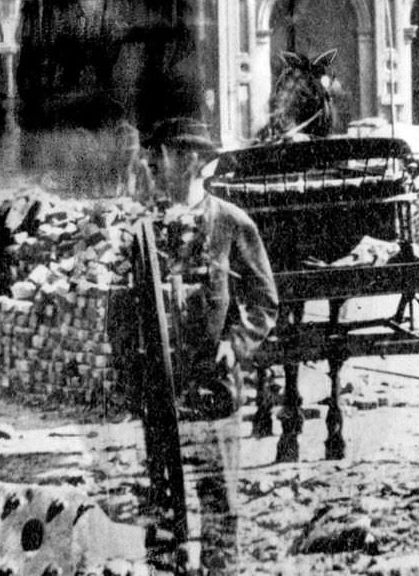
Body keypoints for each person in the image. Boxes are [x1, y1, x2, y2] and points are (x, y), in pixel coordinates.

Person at [143, 116, 278, 575]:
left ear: (199, 164)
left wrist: (235, 343)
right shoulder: (147, 231)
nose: (158, 165)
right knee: (163, 502)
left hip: (214, 387)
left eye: (173, 156)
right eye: (160, 155)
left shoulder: (232, 224)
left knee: (219, 499)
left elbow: (263, 301)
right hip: (162, 391)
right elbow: (124, 313)